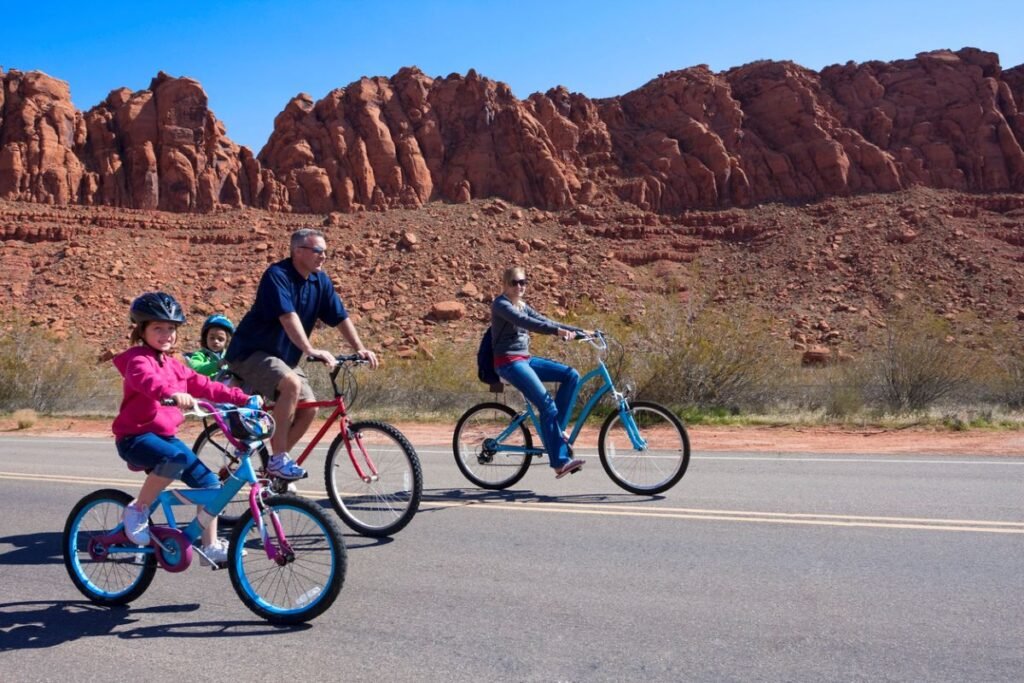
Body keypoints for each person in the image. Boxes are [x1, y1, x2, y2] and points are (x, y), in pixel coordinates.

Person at [113, 292, 256, 565]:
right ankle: (137, 509)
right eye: (158, 328)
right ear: (141, 330)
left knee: (211, 484)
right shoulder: (137, 359)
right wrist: (171, 393)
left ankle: (210, 546)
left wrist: (245, 398)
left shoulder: (175, 365)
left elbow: (207, 385)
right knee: (174, 458)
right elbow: (148, 383)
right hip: (135, 437)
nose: (166, 334)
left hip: (164, 437)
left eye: (171, 329)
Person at [225, 228, 379, 481]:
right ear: (298, 251)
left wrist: (359, 348)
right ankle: (278, 460)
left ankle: (277, 461)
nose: (324, 256)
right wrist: (309, 350)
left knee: (309, 408)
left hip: (283, 358)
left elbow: (340, 317)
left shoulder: (320, 281)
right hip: (252, 352)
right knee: (291, 384)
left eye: (326, 251)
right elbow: (287, 316)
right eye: (318, 251)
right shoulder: (277, 275)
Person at [491, 266, 592, 478]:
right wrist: (556, 332)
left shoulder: (522, 305)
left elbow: (547, 321)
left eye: (523, 282)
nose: (520, 286)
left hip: (525, 360)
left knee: (570, 375)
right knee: (547, 405)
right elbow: (527, 323)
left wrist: (582, 333)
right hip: (508, 362)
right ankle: (560, 462)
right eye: (515, 282)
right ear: (506, 285)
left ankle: (557, 434)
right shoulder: (501, 304)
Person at [184, 313, 234, 377]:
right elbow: (195, 368)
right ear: (205, 338)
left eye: (220, 339)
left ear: (227, 341)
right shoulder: (200, 355)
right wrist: (216, 365)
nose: (215, 341)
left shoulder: (228, 356)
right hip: (206, 386)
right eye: (212, 338)